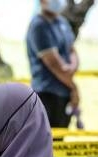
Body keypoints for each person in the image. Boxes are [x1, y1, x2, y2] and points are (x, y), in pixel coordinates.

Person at [27, 0, 80, 129]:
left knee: (60, 143)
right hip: (46, 94)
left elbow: (72, 50)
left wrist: (72, 67)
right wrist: (74, 88)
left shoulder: (62, 22)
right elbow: (55, 65)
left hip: (63, 92)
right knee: (47, 142)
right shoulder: (39, 26)